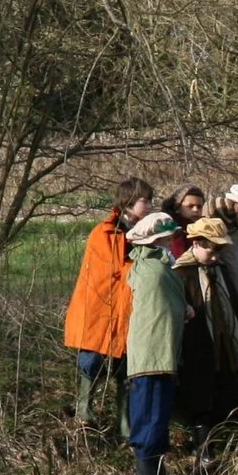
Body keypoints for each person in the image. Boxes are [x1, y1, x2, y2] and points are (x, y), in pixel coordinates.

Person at [63, 176, 153, 435]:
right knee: (91, 360)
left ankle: (124, 422)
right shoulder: (105, 232)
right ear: (128, 202)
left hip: (128, 310)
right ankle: (84, 408)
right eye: (144, 201)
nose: (148, 206)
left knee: (126, 367)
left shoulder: (143, 232)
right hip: (99, 310)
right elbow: (114, 268)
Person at [173, 215, 238, 444]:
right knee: (199, 388)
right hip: (197, 344)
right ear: (196, 244)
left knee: (227, 381)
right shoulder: (183, 272)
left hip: (225, 341)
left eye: (218, 250)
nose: (215, 255)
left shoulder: (219, 269)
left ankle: (230, 432)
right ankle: (201, 442)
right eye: (211, 250)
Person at [121, 210, 187, 475]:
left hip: (156, 352)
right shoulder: (155, 270)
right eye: (168, 239)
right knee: (150, 412)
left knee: (156, 412)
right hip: (153, 353)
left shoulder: (148, 267)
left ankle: (156, 472)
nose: (171, 243)